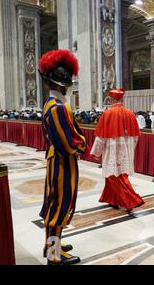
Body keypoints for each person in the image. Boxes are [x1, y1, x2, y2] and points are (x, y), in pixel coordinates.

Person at [38, 50, 87, 265]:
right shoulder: (57, 108)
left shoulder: (51, 105)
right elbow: (68, 142)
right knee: (59, 205)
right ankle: (54, 254)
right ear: (61, 85)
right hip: (61, 160)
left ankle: (51, 244)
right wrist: (82, 144)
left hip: (56, 158)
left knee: (54, 204)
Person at [90, 88, 144, 211]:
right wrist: (130, 149)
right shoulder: (131, 113)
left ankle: (131, 200)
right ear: (122, 99)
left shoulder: (107, 114)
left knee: (114, 177)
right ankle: (113, 200)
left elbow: (101, 137)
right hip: (126, 150)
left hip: (112, 151)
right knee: (118, 175)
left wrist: (96, 152)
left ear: (111, 99)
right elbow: (136, 136)